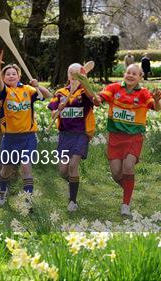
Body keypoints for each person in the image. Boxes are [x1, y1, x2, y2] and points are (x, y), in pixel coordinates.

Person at [96, 64, 161, 216]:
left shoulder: (144, 93)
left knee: (128, 167)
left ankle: (125, 203)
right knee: (116, 174)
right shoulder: (114, 88)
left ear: (140, 77)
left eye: (135, 73)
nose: (130, 75)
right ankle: (129, 190)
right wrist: (94, 97)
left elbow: (157, 107)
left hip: (134, 138)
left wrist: (158, 100)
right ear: (124, 74)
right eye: (128, 72)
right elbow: (98, 100)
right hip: (115, 137)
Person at [0, 49, 52, 207]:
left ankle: (28, 201)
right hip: (10, 138)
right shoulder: (4, 92)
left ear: (19, 76)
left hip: (28, 137)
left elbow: (47, 95)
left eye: (14, 73)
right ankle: (2, 192)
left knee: (26, 166)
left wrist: (38, 86)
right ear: (4, 78)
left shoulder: (28, 90)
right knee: (6, 169)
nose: (11, 76)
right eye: (8, 74)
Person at [48, 63, 96, 212]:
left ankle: (72, 201)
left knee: (73, 165)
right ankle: (74, 184)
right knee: (63, 170)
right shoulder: (60, 93)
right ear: (68, 75)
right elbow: (53, 112)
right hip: (65, 135)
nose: (74, 76)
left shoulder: (85, 93)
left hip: (81, 134)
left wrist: (86, 84)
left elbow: (95, 100)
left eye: (77, 74)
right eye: (71, 73)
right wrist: (58, 110)